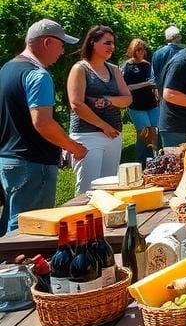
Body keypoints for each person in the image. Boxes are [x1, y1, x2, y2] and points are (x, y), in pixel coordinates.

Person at [0, 20, 88, 234]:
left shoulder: (7, 69)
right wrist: (73, 147)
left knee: (10, 226)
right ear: (47, 42)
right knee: (29, 231)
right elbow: (43, 122)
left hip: (8, 160)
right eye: (61, 44)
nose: (63, 51)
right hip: (33, 165)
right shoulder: (38, 76)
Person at [67, 25, 133, 194]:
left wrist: (108, 100)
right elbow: (76, 104)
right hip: (88, 137)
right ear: (92, 43)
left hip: (113, 136)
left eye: (113, 43)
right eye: (107, 43)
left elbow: (127, 99)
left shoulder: (113, 69)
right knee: (88, 190)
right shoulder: (80, 69)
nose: (112, 47)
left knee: (108, 188)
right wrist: (104, 126)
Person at [121, 38, 160, 164]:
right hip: (136, 105)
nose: (141, 52)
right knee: (144, 133)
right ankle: (140, 160)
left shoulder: (147, 65)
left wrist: (155, 91)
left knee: (154, 132)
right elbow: (126, 87)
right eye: (138, 49)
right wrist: (145, 84)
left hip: (151, 103)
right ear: (132, 50)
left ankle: (154, 158)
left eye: (142, 49)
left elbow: (152, 82)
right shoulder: (127, 66)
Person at [151, 25, 184, 90]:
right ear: (177, 37)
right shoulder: (184, 52)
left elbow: (153, 76)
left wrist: (156, 89)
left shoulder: (157, 53)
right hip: (181, 91)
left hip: (163, 91)